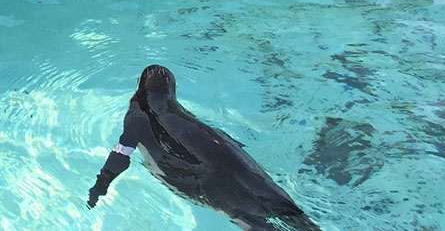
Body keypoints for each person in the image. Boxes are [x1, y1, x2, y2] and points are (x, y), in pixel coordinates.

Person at [87, 65, 321, 230]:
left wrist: (100, 186)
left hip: (208, 182)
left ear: (138, 89)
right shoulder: (178, 111)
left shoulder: (134, 120)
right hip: (236, 162)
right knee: (290, 213)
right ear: (171, 91)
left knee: (242, 213)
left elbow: (119, 158)